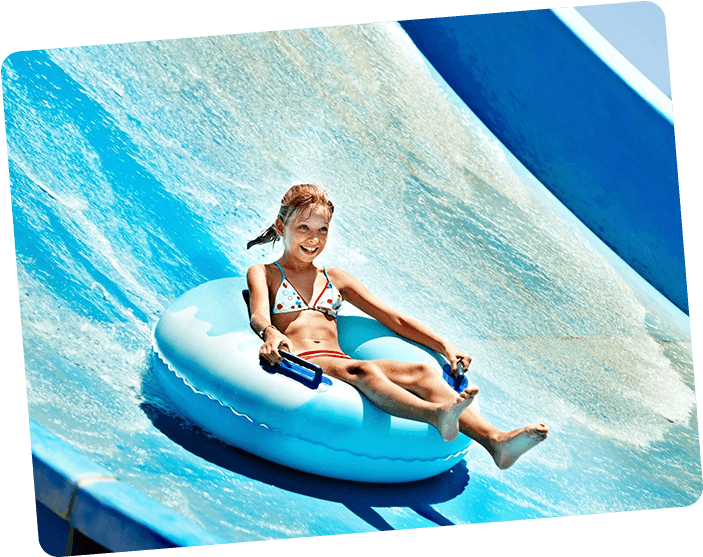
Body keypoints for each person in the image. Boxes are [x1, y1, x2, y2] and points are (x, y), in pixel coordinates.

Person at [247, 184, 548, 468]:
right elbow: (259, 314)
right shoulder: (265, 273)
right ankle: (435, 415)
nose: (314, 239)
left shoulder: (335, 278)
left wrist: (445, 346)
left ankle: (497, 442)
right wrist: (271, 332)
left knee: (423, 372)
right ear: (280, 226)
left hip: (340, 359)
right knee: (365, 371)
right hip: (306, 360)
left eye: (322, 230)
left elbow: (394, 318)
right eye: (304, 228)